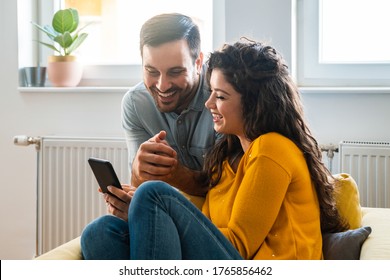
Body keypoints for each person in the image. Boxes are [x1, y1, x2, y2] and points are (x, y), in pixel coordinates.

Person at [81, 38, 348, 259]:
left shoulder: (272, 148)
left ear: (255, 103)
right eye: (210, 92)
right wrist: (141, 215)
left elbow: (238, 248)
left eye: (220, 96)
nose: (209, 103)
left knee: (154, 194)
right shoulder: (226, 159)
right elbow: (204, 236)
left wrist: (151, 206)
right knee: (101, 231)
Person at [101, 13, 217, 221]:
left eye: (175, 72)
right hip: (167, 214)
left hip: (213, 218)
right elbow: (140, 185)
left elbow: (231, 191)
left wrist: (176, 175)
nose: (162, 85)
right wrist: (136, 178)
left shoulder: (222, 96)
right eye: (151, 71)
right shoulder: (136, 104)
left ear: (198, 62)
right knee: (100, 229)